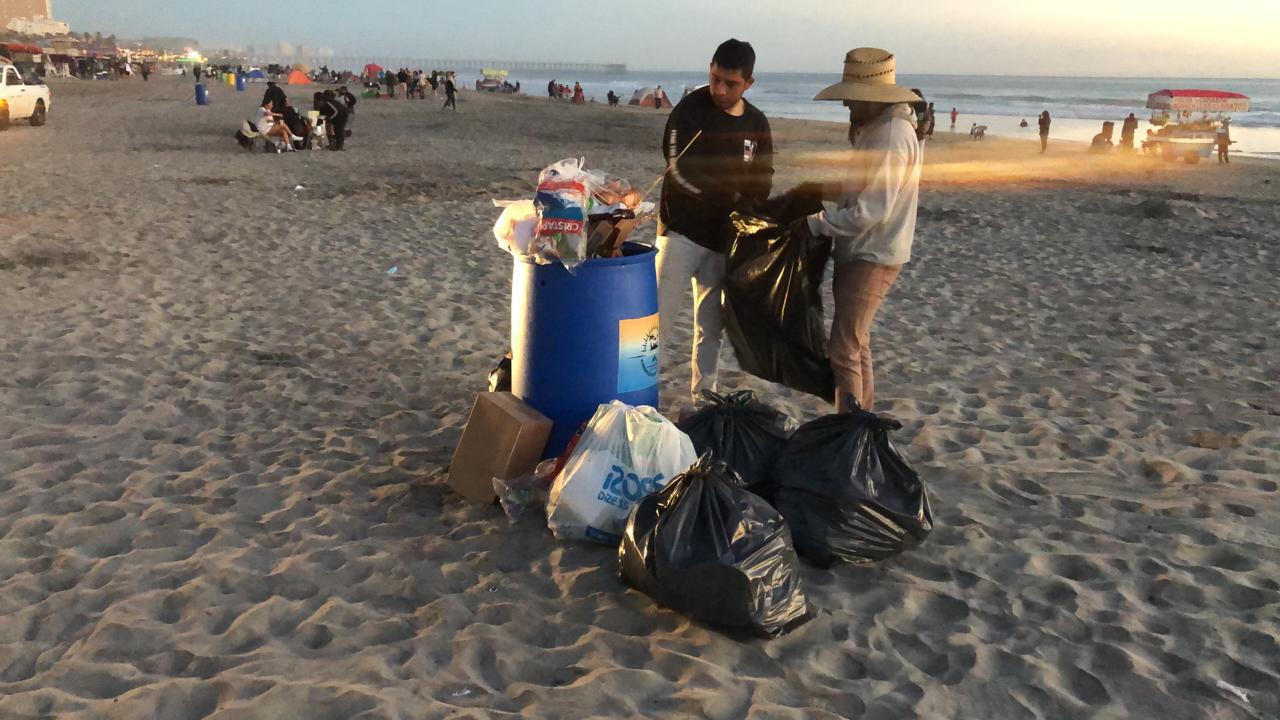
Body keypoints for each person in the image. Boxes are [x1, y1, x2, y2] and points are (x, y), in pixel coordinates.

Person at [806, 47, 923, 413]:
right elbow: (863, 190)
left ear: (869, 97)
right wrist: (819, 191)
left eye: (851, 99)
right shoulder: (879, 130)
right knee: (857, 343)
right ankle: (862, 423)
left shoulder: (891, 135)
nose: (846, 106)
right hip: (864, 250)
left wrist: (815, 224)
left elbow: (871, 211)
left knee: (843, 348)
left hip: (873, 253)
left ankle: (849, 429)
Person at [657, 39, 773, 405]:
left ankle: (703, 397)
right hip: (681, 233)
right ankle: (632, 393)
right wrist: (727, 199)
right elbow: (677, 169)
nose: (719, 90)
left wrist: (750, 209)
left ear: (748, 84)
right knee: (655, 322)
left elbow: (763, 178)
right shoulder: (691, 110)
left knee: (711, 327)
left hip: (724, 242)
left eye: (730, 83)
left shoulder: (756, 123)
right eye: (714, 78)